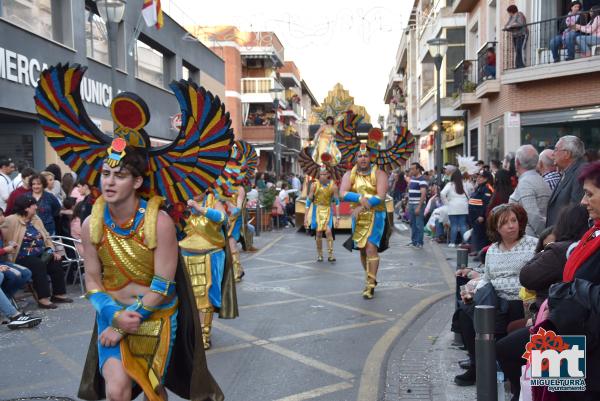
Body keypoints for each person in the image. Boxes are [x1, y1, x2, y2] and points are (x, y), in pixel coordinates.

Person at [78, 143, 222, 401]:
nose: (109, 182)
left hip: (155, 318)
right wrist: (113, 315)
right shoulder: (92, 223)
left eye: (120, 176)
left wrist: (124, 325)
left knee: (152, 390)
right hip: (112, 314)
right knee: (116, 391)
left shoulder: (159, 222)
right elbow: (91, 278)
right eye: (105, 174)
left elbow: (162, 286)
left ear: (136, 182)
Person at [454, 203, 537, 386]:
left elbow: (537, 277)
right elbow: (487, 278)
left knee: (504, 310)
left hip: (520, 301)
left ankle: (503, 369)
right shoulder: (492, 250)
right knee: (465, 312)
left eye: (514, 221)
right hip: (496, 300)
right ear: (496, 228)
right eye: (505, 223)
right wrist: (472, 286)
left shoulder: (533, 244)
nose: (511, 226)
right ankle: (478, 365)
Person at [544, 161, 600, 400]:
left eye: (589, 194)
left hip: (590, 349)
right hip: (566, 332)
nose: (583, 202)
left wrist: (572, 288)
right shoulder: (593, 231)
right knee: (554, 393)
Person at [180, 190, 237, 350]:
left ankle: (204, 335)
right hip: (184, 255)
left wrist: (199, 208)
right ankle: (191, 334)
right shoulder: (181, 201)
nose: (194, 189)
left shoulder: (212, 201)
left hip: (208, 256)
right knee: (186, 298)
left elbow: (223, 218)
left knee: (204, 297)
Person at [1, 195, 71, 309]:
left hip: (40, 252)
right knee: (38, 265)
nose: (36, 207)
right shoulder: (12, 220)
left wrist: (51, 250)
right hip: (21, 255)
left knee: (56, 260)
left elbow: (46, 236)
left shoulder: (36, 219)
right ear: (26, 208)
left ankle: (58, 294)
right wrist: (7, 246)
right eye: (33, 205)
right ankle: (43, 298)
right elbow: (2, 229)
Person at [340, 143, 390, 299]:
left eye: (366, 156)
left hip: (376, 215)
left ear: (371, 157)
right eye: (360, 156)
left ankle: (370, 284)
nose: (363, 159)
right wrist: (359, 198)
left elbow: (381, 196)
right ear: (356, 158)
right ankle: (370, 276)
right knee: (362, 249)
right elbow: (342, 193)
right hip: (359, 218)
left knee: (370, 248)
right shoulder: (350, 174)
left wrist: (362, 206)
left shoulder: (380, 174)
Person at [509, 145, 551, 237]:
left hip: (530, 240)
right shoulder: (541, 180)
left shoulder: (526, 183)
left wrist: (543, 237)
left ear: (517, 162)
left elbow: (533, 215)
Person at [547, 135, 586, 227]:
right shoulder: (568, 171)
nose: (553, 154)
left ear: (567, 154)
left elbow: (576, 211)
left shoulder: (580, 172)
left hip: (569, 236)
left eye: (556, 149)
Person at [305, 167, 340, 262]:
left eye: (324, 174)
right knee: (319, 232)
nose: (322, 176)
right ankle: (320, 254)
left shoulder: (333, 186)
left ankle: (331, 254)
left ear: (328, 174)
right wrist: (305, 217)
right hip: (317, 211)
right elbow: (308, 201)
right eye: (321, 174)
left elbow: (337, 202)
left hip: (328, 210)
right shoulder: (314, 185)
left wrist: (338, 217)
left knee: (328, 231)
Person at [441, 170, 469, 248]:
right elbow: (469, 194)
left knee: (454, 225)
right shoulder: (464, 184)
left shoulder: (450, 184)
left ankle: (452, 242)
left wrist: (446, 203)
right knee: (463, 225)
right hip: (463, 207)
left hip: (452, 206)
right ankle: (465, 242)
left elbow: (442, 193)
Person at [468, 170, 494, 254]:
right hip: (474, 215)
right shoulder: (479, 186)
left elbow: (487, 203)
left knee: (481, 234)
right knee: (476, 232)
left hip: (480, 216)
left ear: (486, 178)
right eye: (478, 177)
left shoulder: (487, 188)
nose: (478, 178)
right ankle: (476, 250)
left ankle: (480, 252)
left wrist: (482, 215)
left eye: (480, 177)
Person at [407, 162, 427, 249]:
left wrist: (419, 206)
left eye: (412, 169)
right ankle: (414, 241)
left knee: (419, 224)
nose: (411, 170)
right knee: (413, 224)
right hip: (411, 204)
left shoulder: (422, 180)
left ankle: (420, 242)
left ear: (417, 169)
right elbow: (410, 192)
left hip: (418, 204)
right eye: (410, 169)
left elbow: (423, 194)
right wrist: (408, 204)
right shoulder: (412, 178)